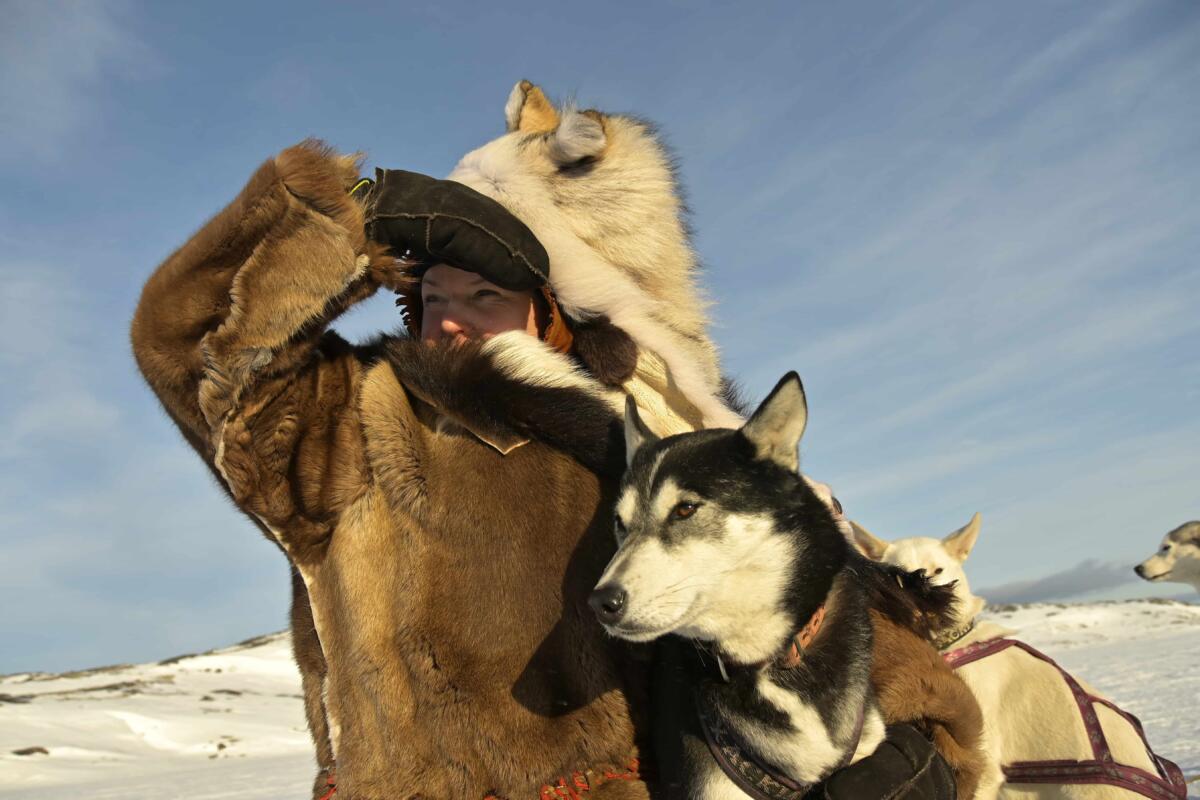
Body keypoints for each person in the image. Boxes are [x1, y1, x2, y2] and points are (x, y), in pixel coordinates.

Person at [132, 87, 965, 799]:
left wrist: (908, 728)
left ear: (552, 312)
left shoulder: (648, 435)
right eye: (428, 295)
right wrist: (335, 219)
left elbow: (799, 593)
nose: (446, 318)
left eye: (484, 293)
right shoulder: (353, 425)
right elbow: (186, 345)